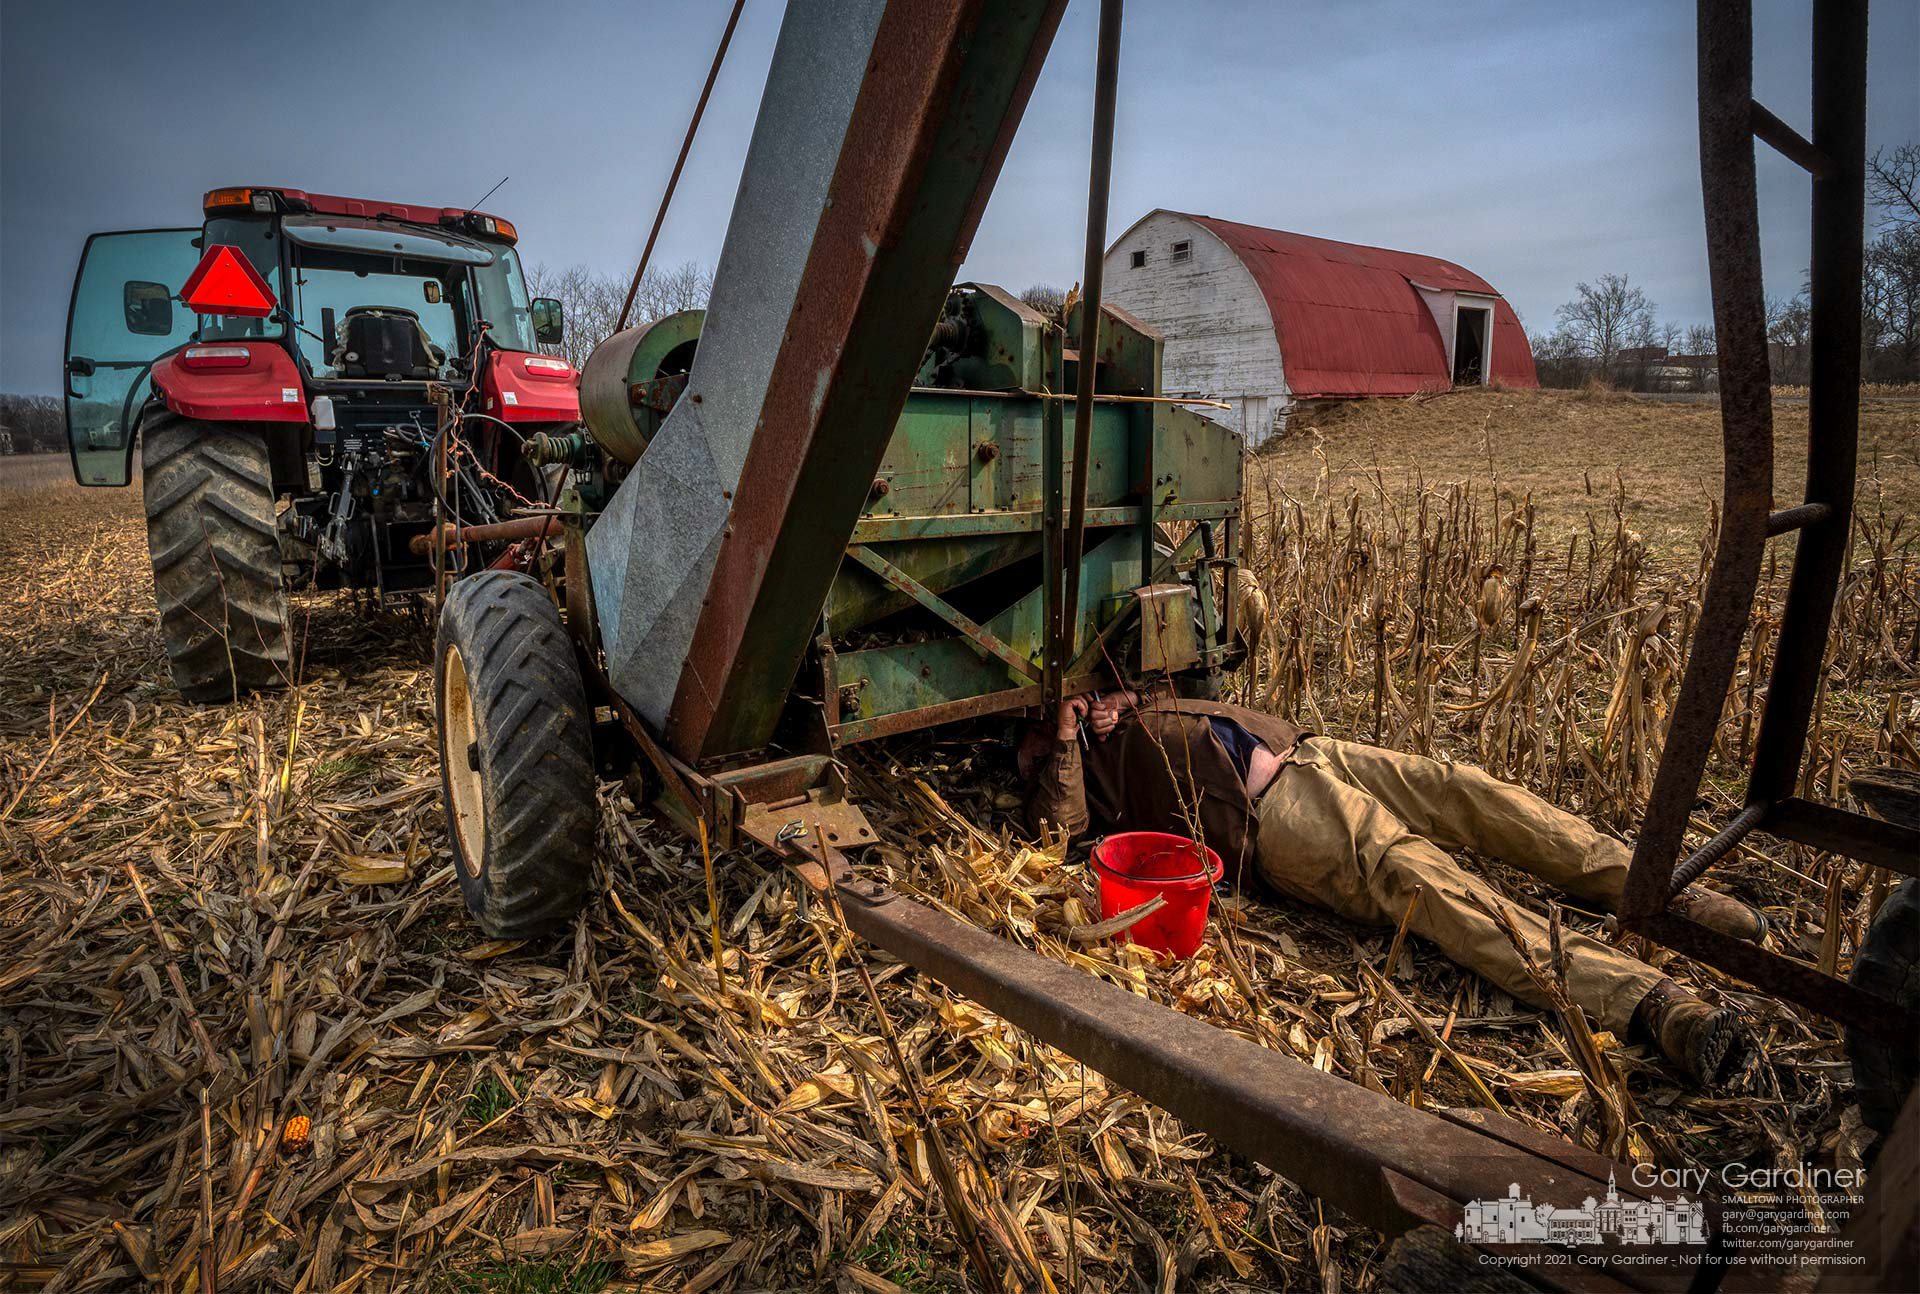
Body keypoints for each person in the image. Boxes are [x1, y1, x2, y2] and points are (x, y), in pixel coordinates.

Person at [1021, 689, 1766, 1087]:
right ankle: (1653, 1003)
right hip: (1276, 822)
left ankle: (1662, 893)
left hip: (1307, 751)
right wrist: (1060, 735)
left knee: (1471, 790)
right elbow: (1060, 832)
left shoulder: (1120, 688)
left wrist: (1124, 695)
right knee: (1425, 881)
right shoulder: (1049, 752)